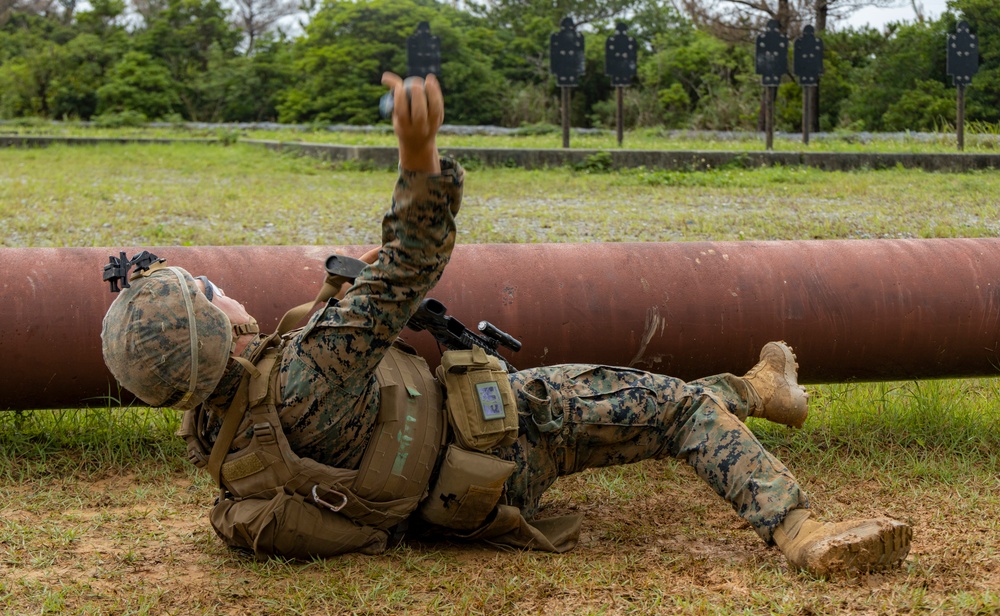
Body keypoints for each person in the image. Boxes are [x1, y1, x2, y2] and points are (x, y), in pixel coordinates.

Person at [100, 73, 911, 577]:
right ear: (218, 332)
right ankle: (802, 529)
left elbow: (177, 352)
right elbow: (413, 255)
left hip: (458, 498)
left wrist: (151, 297)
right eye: (204, 292)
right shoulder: (316, 361)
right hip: (507, 427)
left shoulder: (213, 431)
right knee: (675, 409)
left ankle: (760, 385)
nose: (216, 288)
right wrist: (419, 157)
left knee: (646, 415)